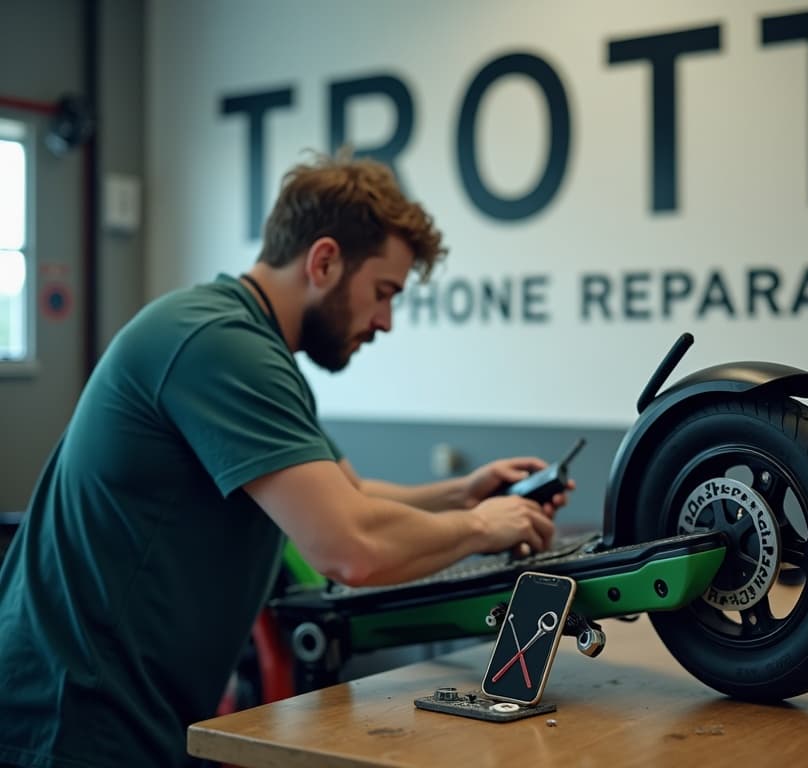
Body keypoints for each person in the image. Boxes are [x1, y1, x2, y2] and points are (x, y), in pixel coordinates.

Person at [0, 153, 571, 768]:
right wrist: (485, 527)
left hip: (121, 708)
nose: (385, 321)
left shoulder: (245, 341)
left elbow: (348, 495)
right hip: (73, 717)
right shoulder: (220, 345)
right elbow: (350, 545)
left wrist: (466, 493)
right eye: (383, 293)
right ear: (324, 261)